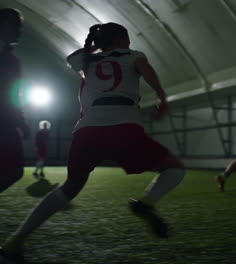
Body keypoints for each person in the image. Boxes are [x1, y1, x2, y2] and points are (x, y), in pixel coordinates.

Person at [1, 22, 185, 259]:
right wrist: (161, 96)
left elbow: (75, 58)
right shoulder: (133, 55)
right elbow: (145, 69)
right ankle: (147, 202)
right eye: (126, 40)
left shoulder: (84, 60)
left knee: (70, 188)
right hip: (123, 127)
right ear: (121, 41)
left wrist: (95, 47)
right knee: (174, 169)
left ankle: (16, 239)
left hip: (87, 131)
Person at [0, 8, 30, 194]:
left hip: (6, 120)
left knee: (13, 170)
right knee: (14, 170)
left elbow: (12, 94)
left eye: (20, 26)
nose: (19, 30)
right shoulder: (9, 60)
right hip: (4, 122)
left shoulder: (11, 59)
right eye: (15, 25)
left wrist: (20, 121)